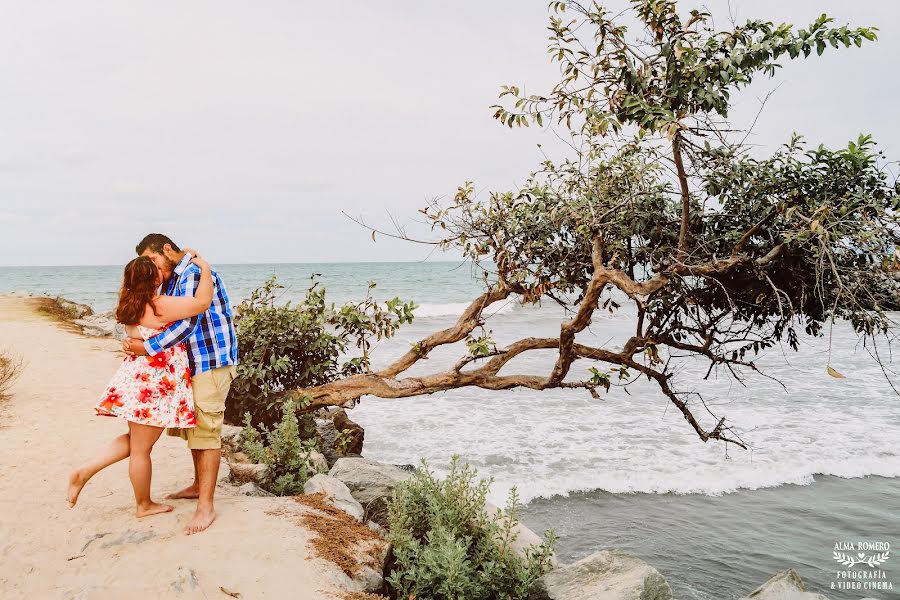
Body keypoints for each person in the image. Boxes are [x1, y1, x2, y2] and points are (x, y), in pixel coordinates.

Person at [67, 253, 214, 518]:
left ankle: (85, 472)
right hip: (154, 386)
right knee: (141, 449)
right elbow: (203, 302)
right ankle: (143, 504)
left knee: (135, 442)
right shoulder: (159, 305)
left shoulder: (129, 305)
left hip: (136, 380)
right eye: (157, 269)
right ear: (154, 277)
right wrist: (204, 267)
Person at [122, 234, 238, 535]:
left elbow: (189, 323)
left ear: (167, 250)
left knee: (207, 429)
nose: (152, 267)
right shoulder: (177, 274)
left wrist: (148, 347)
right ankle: (199, 486)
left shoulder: (195, 272)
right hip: (194, 362)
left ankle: (206, 507)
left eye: (154, 259)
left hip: (210, 360)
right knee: (196, 426)